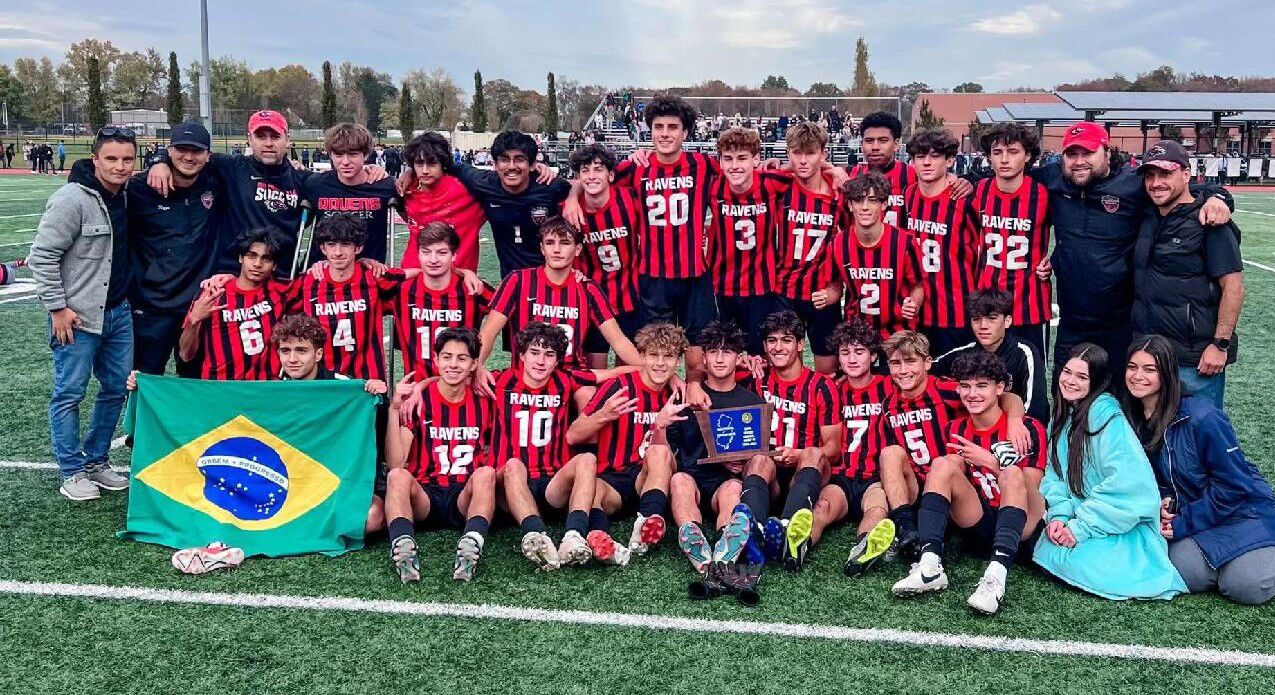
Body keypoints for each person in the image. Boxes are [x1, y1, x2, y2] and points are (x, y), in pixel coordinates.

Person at [1035, 122, 1232, 387]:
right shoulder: (1053, 177)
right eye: (1072, 154)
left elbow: (1174, 187)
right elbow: (1006, 175)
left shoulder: (1133, 183)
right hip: (1073, 321)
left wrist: (1219, 197)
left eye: (1088, 153)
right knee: (1067, 397)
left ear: (1106, 152)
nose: (1079, 161)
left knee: (1121, 401)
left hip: (1122, 323)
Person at [565, 95, 720, 382]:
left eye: (673, 127)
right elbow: (592, 178)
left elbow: (746, 174)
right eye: (658, 126)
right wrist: (573, 196)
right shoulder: (635, 168)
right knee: (655, 363)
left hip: (695, 278)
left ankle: (691, 423)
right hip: (653, 279)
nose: (665, 133)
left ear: (685, 132)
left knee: (697, 365)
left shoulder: (703, 165)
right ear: (649, 130)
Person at [890, 350, 1047, 616]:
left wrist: (991, 462)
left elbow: (1029, 484)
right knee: (942, 465)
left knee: (1012, 473)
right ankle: (929, 565)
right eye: (965, 386)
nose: (972, 393)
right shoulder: (956, 429)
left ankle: (996, 578)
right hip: (981, 523)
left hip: (1023, 526)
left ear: (1000, 388)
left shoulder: (1026, 428)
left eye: (981, 386)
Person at [1122, 335, 1275, 604]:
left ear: (1167, 373)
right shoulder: (1133, 416)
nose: (1137, 376)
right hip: (1196, 515)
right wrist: (1160, 500)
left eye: (1149, 369)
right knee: (1181, 574)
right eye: (1132, 367)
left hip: (1242, 513)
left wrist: (1183, 522)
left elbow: (1235, 486)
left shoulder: (1204, 417)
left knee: (1245, 587)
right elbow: (1153, 475)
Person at [27, 126, 137, 500]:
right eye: (111, 159)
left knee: (114, 390)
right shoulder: (71, 199)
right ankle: (72, 471)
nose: (120, 167)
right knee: (70, 393)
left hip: (119, 312)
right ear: (95, 160)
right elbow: (42, 256)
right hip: (78, 315)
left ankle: (96, 462)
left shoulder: (127, 196)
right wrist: (57, 307)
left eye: (127, 159)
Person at [1033, 343, 1187, 600]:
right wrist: (1059, 517)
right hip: (1079, 513)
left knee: (1078, 561)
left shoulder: (1106, 416)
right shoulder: (1064, 414)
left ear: (1096, 382)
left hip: (1116, 521)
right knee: (1048, 548)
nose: (1071, 381)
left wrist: (1079, 528)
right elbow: (1054, 474)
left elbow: (1128, 486)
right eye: (1067, 372)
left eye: (1082, 377)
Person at [876, 330, 1028, 558]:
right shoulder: (889, 405)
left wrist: (1015, 419)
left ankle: (937, 530)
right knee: (890, 453)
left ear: (928, 363)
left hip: (954, 483)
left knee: (949, 461)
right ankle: (906, 528)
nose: (903, 370)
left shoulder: (947, 390)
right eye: (895, 363)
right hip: (917, 486)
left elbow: (1006, 397)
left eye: (910, 361)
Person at [488, 322, 614, 569]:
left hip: (551, 484)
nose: (541, 361)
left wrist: (669, 374)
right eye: (534, 352)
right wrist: (423, 387)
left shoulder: (565, 380)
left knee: (587, 459)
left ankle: (573, 536)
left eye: (549, 355)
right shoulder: (499, 380)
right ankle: (536, 536)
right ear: (521, 355)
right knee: (513, 465)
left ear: (558, 360)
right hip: (510, 487)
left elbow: (612, 374)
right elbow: (455, 375)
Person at [1131, 141, 1244, 408]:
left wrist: (1220, 345)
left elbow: (1234, 287)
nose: (1156, 182)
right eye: (1150, 175)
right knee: (1152, 437)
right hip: (1148, 356)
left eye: (1165, 173)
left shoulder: (1211, 223)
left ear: (1186, 174)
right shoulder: (1147, 216)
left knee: (1197, 435)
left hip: (1194, 361)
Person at [383, 328, 496, 583]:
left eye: (461, 358)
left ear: (474, 364)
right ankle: (403, 546)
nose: (453, 364)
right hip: (426, 495)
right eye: (447, 357)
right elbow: (396, 463)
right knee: (398, 476)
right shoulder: (418, 401)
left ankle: (471, 544)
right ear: (436, 360)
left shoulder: (485, 401)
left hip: (463, 498)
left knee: (487, 473)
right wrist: (395, 408)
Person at [570, 322, 688, 560]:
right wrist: (605, 415)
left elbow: (671, 462)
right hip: (611, 478)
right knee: (592, 491)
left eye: (669, 357)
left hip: (648, 479)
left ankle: (646, 523)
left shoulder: (678, 395)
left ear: (678, 362)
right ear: (641, 356)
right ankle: (602, 540)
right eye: (653, 355)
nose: (660, 363)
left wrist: (660, 427)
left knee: (659, 453)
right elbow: (573, 435)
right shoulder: (619, 386)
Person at [478, 216, 640, 380]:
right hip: (525, 377)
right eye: (550, 243)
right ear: (542, 248)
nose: (556, 249)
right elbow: (489, 333)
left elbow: (618, 341)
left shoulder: (588, 289)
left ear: (577, 249)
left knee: (587, 394)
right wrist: (476, 366)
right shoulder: (518, 281)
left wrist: (647, 369)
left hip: (572, 378)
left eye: (564, 243)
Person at [402, 130, 570, 278]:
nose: (512, 166)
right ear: (494, 164)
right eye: (504, 159)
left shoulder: (549, 185)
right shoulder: (482, 184)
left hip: (551, 276)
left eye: (519, 159)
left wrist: (574, 199)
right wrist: (410, 171)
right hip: (511, 281)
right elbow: (443, 163)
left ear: (532, 164)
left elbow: (579, 186)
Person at [666, 321, 764, 573]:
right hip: (692, 476)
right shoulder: (686, 397)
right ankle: (694, 541)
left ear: (738, 358)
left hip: (724, 480)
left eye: (727, 352)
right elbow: (669, 447)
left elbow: (756, 452)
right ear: (704, 359)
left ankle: (726, 544)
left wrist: (741, 462)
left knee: (734, 488)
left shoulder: (751, 401)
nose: (720, 359)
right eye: (713, 352)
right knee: (679, 481)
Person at [749, 310, 842, 571]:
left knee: (813, 452)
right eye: (771, 341)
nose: (778, 347)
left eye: (786, 340)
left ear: (801, 344)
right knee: (759, 458)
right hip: (768, 475)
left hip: (805, 474)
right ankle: (754, 532)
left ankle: (790, 529)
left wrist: (798, 454)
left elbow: (833, 450)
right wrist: (744, 360)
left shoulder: (822, 386)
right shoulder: (756, 378)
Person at [128, 121, 222, 377]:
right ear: (169, 150)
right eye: (181, 149)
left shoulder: (216, 182)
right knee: (144, 381)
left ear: (208, 156)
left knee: (196, 384)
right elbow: (87, 173)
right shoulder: (139, 188)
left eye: (197, 151)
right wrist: (156, 161)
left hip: (197, 306)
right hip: (150, 307)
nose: (189, 157)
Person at [810, 319, 896, 577]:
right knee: (822, 507)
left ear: (872, 355)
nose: (852, 359)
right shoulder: (832, 390)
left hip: (875, 477)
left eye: (859, 352)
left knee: (877, 508)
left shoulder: (891, 386)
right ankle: (799, 543)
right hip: (843, 476)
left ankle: (863, 549)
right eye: (845, 352)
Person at [290, 213, 414, 382]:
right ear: (323, 248)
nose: (338, 252)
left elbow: (418, 273)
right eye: (331, 245)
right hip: (321, 382)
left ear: (358, 247)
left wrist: (461, 272)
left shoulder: (373, 276)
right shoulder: (308, 282)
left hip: (368, 382)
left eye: (346, 244)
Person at [972, 122, 1052, 358]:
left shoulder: (1044, 194)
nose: (1004, 159)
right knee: (986, 378)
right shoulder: (978, 191)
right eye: (997, 153)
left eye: (1013, 152)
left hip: (1029, 305)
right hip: (986, 305)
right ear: (989, 157)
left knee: (1030, 377)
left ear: (1028, 156)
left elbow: (1073, 236)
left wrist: (1052, 262)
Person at [706, 127, 788, 356]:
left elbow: (806, 170)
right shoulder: (713, 186)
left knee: (758, 355)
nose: (734, 166)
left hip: (762, 288)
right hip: (722, 287)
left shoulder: (771, 183)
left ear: (756, 159)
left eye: (742, 158)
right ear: (720, 162)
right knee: (723, 354)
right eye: (728, 159)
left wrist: (833, 170)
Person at [903, 129, 982, 357]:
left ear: (949, 160)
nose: (927, 163)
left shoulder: (965, 200)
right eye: (920, 156)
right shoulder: (909, 196)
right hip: (918, 312)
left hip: (956, 312)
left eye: (935, 156)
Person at [773, 122, 844, 375]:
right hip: (783, 289)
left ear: (823, 153)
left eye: (810, 153)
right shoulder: (779, 185)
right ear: (788, 153)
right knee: (785, 369)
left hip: (822, 293)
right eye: (797, 152)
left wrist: (836, 287)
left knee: (828, 370)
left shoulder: (839, 193)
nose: (803, 160)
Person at [179, 228, 290, 380]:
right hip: (220, 388)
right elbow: (185, 355)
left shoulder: (283, 291)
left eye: (266, 258)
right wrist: (193, 320)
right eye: (252, 256)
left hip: (265, 389)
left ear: (274, 265)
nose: (257, 264)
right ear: (240, 258)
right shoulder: (213, 293)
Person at [823, 171, 923, 340]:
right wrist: (825, 297)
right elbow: (835, 288)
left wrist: (914, 304)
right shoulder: (838, 244)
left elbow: (918, 286)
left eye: (872, 200)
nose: (865, 207)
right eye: (859, 200)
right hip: (857, 330)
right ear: (849, 205)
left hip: (898, 330)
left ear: (884, 204)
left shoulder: (905, 242)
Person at [568, 143, 643, 368]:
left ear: (611, 175)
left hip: (631, 298)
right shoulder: (569, 209)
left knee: (628, 372)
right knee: (594, 371)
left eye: (598, 169)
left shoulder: (629, 199)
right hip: (593, 301)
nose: (591, 176)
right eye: (585, 171)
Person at [391, 221, 493, 379]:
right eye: (426, 252)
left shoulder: (473, 289)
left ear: (454, 255)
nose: (433, 259)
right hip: (416, 389)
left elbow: (506, 307)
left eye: (442, 253)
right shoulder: (400, 291)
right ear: (418, 254)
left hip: (462, 387)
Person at [932, 289, 1048, 423]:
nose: (983, 326)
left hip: (1013, 430)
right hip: (974, 429)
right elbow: (925, 373)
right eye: (976, 319)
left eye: (992, 319)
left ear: (1007, 321)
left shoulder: (1024, 353)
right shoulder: (964, 353)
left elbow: (1037, 410)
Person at [301, 122, 398, 264]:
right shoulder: (314, 184)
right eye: (338, 155)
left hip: (367, 273)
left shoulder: (385, 186)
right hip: (321, 271)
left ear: (365, 155)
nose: (345, 162)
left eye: (353, 155)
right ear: (331, 155)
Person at [397, 132, 486, 273]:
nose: (425, 170)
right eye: (419, 164)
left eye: (432, 163)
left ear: (443, 163)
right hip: (413, 278)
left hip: (456, 283)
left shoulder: (468, 192)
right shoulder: (406, 189)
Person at [846, 111, 917, 227]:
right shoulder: (848, 175)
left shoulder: (914, 175)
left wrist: (955, 181)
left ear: (896, 144)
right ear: (861, 144)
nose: (875, 147)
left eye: (883, 140)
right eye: (869, 141)